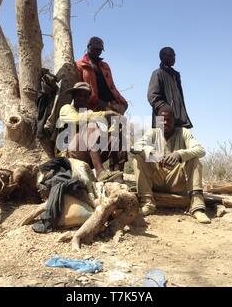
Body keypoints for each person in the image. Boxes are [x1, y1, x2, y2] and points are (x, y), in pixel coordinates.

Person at [132, 105, 210, 223]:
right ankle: (147, 204)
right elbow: (135, 147)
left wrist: (179, 154)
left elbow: (201, 150)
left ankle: (197, 207)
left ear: (174, 120)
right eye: (162, 119)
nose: (165, 122)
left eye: (168, 119)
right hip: (156, 179)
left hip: (177, 181)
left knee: (194, 159)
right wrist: (152, 152)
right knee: (138, 158)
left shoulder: (184, 132)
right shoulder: (152, 133)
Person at [76, 37, 128, 171]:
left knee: (119, 135)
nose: (98, 52)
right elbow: (80, 89)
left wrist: (121, 101)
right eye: (95, 49)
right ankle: (100, 170)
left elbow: (111, 86)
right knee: (96, 135)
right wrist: (97, 103)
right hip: (94, 105)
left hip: (112, 103)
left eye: (100, 50)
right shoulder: (79, 64)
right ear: (88, 47)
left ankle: (117, 171)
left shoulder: (105, 66)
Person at [57, 82, 125, 182]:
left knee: (118, 136)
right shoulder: (67, 108)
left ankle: (118, 177)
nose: (82, 98)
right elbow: (77, 119)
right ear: (73, 96)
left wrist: (116, 127)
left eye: (85, 96)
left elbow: (103, 132)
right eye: (79, 95)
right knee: (91, 126)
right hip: (71, 154)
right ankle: (100, 172)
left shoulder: (89, 112)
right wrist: (106, 114)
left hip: (88, 154)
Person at [147, 47, 193, 129]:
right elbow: (153, 97)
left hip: (179, 122)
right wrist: (168, 112)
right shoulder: (157, 73)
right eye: (172, 55)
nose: (174, 58)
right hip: (164, 123)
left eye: (174, 55)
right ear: (164, 56)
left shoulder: (175, 76)